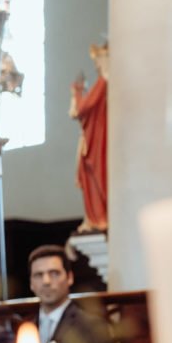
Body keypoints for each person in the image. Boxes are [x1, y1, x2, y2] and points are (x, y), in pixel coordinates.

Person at [27, 244, 111, 343]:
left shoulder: (90, 326)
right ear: (31, 284)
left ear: (70, 278)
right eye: (38, 275)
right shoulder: (26, 329)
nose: (46, 281)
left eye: (54, 273)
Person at [70, 43, 109, 233]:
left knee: (96, 176)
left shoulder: (103, 83)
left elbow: (82, 109)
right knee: (90, 178)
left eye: (98, 62)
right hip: (91, 139)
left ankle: (99, 217)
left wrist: (76, 92)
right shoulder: (102, 84)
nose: (96, 66)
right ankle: (97, 217)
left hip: (97, 141)